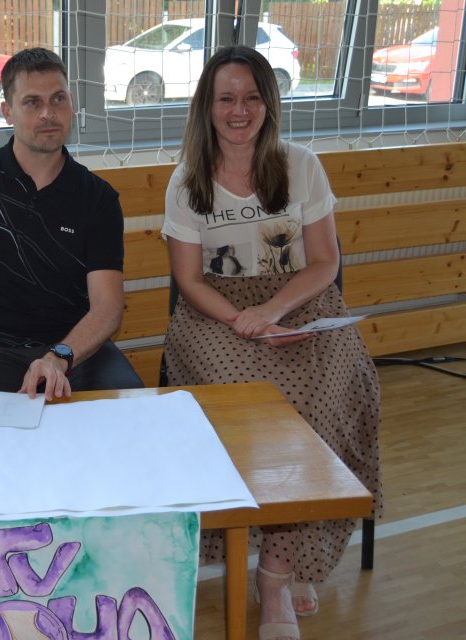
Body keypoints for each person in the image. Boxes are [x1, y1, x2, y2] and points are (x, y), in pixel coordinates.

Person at [161, 47, 381, 640]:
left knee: (321, 396)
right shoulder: (186, 181)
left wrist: (274, 310)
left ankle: (276, 572)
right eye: (226, 98)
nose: (240, 110)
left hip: (299, 301)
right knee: (252, 401)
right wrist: (244, 319)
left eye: (252, 97)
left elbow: (325, 262)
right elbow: (189, 282)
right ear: (207, 107)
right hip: (217, 311)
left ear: (269, 103)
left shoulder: (302, 165)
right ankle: (252, 542)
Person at [0, 47, 144, 400]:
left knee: (131, 410)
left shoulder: (98, 197)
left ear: (72, 105)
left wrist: (59, 357)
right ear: (8, 112)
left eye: (58, 99)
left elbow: (107, 307)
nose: (48, 113)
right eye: (32, 102)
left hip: (75, 351)